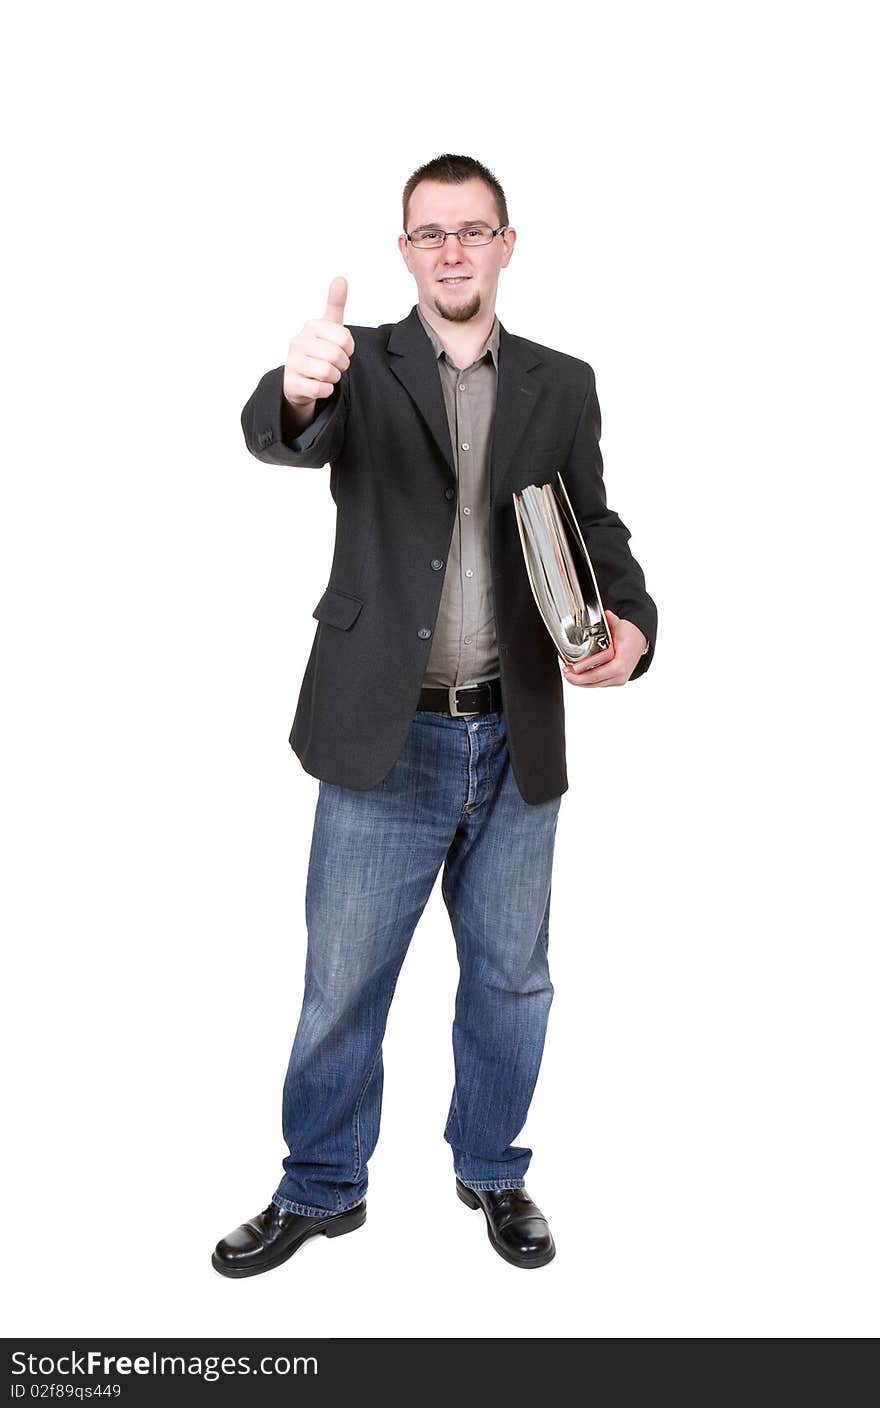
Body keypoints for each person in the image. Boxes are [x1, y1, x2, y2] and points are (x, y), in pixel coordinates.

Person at [212, 153, 657, 1276]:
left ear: (508, 243)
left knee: (513, 977)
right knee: (343, 979)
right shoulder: (355, 365)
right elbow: (281, 433)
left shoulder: (562, 381)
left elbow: (592, 527)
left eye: (472, 230)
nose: (451, 251)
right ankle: (318, 1186)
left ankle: (493, 1171)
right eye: (429, 234)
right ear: (403, 250)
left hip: (517, 734)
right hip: (384, 735)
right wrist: (299, 386)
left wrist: (636, 627)